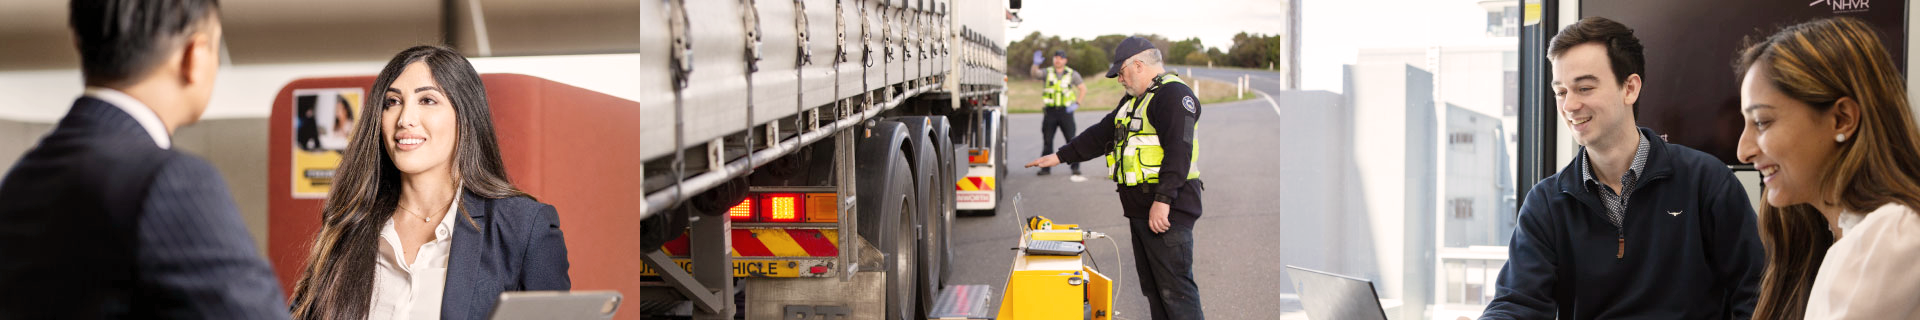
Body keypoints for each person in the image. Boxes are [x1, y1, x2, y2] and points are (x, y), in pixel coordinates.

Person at [0, 0, 291, 318]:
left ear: (78, 43)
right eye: (215, 46)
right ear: (194, 56)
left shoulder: (20, 180)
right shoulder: (170, 182)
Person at [1478, 17, 1764, 320]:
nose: (1569, 106)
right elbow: (1518, 303)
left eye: (1584, 88)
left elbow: (1756, 292)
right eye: (1561, 92)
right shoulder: (1546, 203)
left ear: (1629, 88)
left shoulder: (1707, 182)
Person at [288, 46, 571, 320]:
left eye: (427, 100)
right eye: (392, 102)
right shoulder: (351, 223)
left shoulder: (522, 228)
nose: (405, 119)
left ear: (465, 116)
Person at [1735, 17, 1920, 320]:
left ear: (1842, 119)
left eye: (1762, 122)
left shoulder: (1892, 234)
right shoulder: (1826, 238)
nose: (1744, 151)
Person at [1026, 36, 1204, 320]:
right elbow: (1102, 133)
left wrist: (1163, 200)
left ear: (1138, 65)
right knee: (1155, 290)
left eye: (1121, 73)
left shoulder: (1173, 96)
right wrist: (1059, 156)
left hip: (1166, 211)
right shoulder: (1136, 99)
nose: (1120, 79)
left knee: (1175, 292)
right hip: (1143, 210)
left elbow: (1178, 153)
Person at [1030, 49, 1089, 181]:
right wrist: (1035, 64)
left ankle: (1075, 167)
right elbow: (1034, 74)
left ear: (1065, 60)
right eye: (1056, 57)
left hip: (1066, 112)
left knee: (1071, 140)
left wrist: (1077, 103)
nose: (1058, 60)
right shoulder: (1047, 72)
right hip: (1050, 112)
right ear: (1053, 59)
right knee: (1047, 141)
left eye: (1061, 58)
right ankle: (1045, 168)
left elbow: (1083, 89)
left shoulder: (1072, 74)